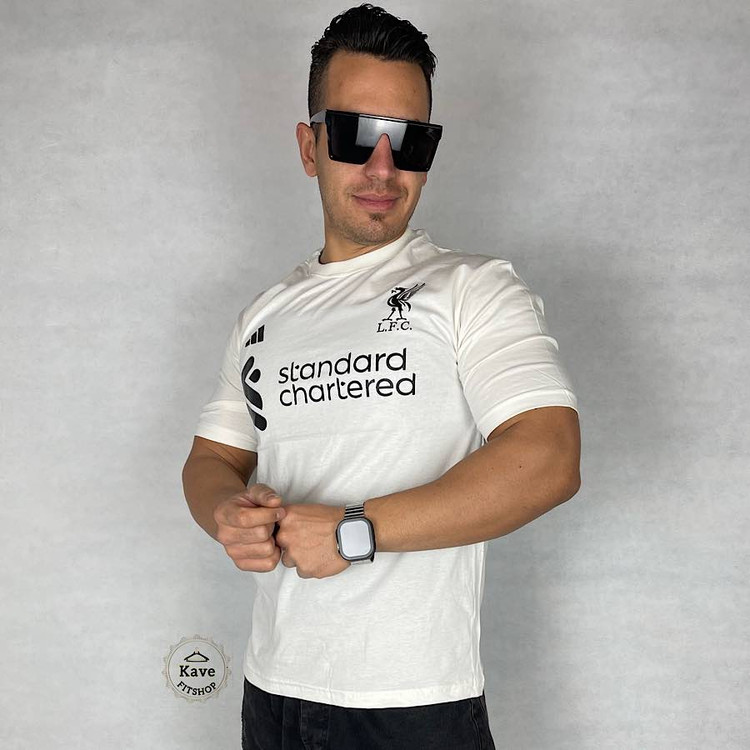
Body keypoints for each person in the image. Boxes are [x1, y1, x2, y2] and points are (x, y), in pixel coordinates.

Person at [182, 4, 581, 749]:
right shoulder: (264, 314)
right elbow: (211, 459)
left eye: (411, 141)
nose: (383, 168)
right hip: (272, 693)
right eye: (356, 134)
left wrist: (356, 532)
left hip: (412, 705)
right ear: (310, 146)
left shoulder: (474, 289)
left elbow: (548, 458)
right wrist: (226, 513)